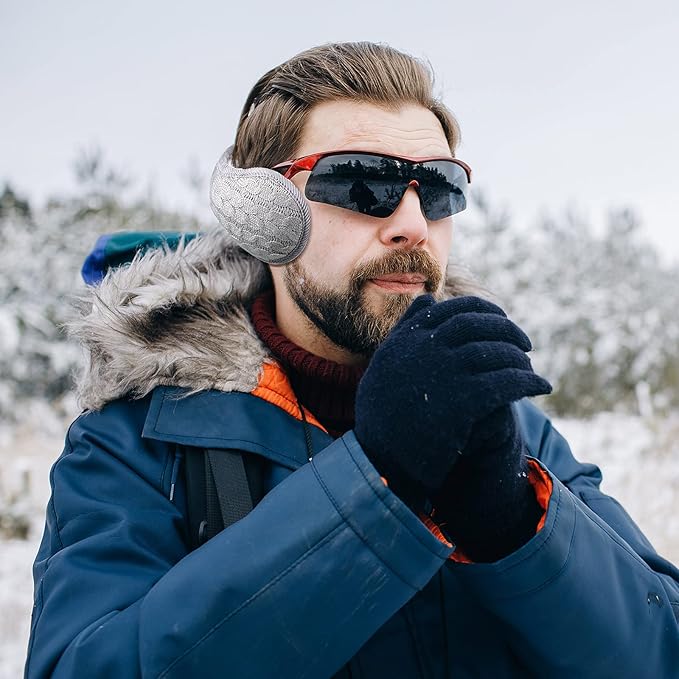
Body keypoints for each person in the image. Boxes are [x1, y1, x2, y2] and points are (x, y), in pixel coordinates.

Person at [26, 42, 679, 678]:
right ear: (262, 216)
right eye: (361, 182)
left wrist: (514, 526)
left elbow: (660, 652)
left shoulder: (505, 427)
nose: (412, 223)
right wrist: (371, 483)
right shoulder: (140, 439)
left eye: (440, 190)